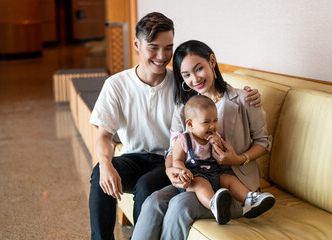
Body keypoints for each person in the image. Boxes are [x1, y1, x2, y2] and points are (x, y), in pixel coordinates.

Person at [89, 12, 261, 239]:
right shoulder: (116, 85)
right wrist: (105, 164)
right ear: (136, 44)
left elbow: (212, 90)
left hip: (168, 159)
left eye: (168, 47)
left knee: (145, 186)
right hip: (134, 157)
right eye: (153, 47)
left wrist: (249, 92)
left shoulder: (182, 83)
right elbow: (103, 136)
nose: (162, 56)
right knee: (99, 173)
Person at [131, 40, 273, 240]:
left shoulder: (245, 100)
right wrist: (171, 170)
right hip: (195, 179)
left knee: (180, 205)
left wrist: (238, 159)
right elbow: (173, 150)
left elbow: (263, 143)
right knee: (153, 201)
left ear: (212, 62)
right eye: (186, 75)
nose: (194, 79)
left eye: (199, 69)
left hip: (235, 185)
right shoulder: (183, 109)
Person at [172, 95, 275, 225]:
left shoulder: (215, 137)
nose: (212, 126)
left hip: (215, 173)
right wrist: (182, 171)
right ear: (190, 124)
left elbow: (221, 154)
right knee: (201, 184)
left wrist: (218, 144)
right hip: (194, 176)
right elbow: (177, 160)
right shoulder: (183, 140)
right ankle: (214, 205)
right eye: (206, 122)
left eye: (215, 121)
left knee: (230, 180)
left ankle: (249, 200)